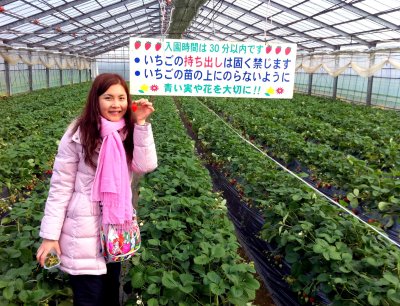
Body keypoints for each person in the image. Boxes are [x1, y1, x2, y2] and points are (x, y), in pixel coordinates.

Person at [36, 73, 158, 306]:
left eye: (121, 98)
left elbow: (145, 165)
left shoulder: (128, 131)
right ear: (96, 100)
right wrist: (50, 236)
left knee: (111, 293)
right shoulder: (78, 133)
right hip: (82, 232)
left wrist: (140, 123)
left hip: (114, 230)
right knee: (89, 298)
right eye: (108, 97)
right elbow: (60, 187)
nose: (116, 104)